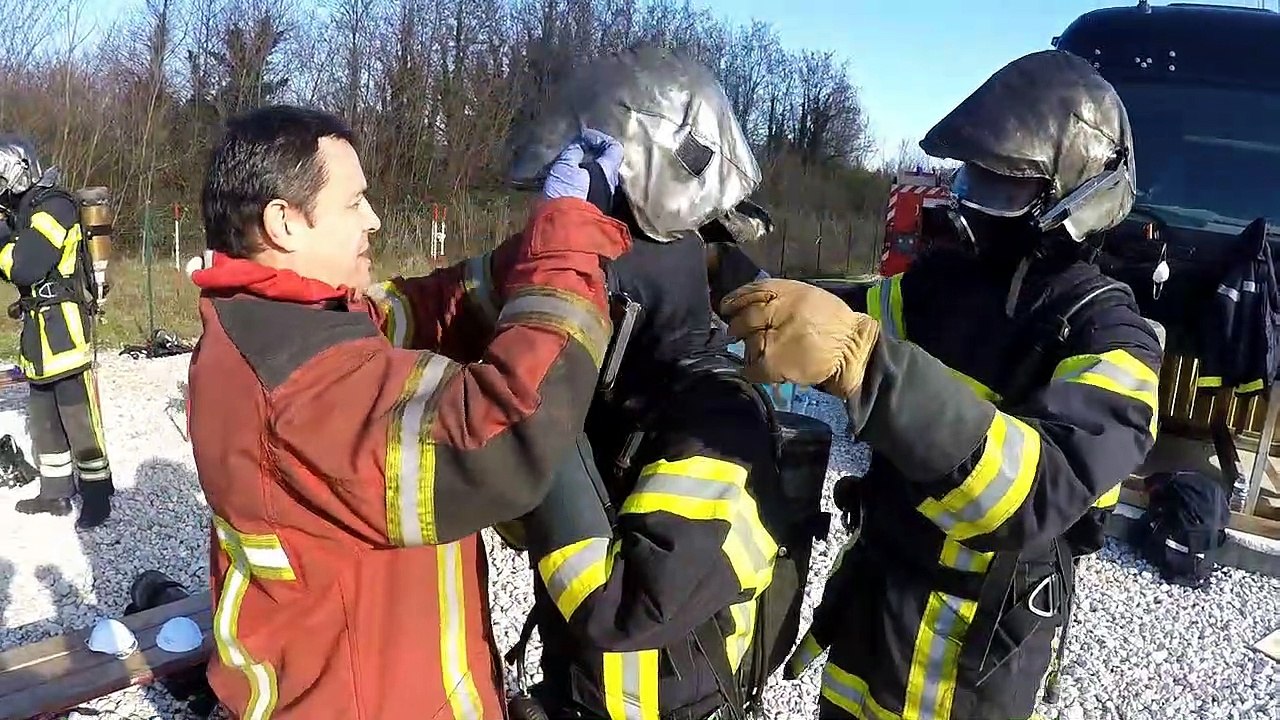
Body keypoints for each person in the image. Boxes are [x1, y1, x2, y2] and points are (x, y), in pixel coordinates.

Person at [720, 50, 1162, 720]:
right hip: (877, 608)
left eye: (1004, 188)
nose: (974, 204)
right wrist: (726, 274)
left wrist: (866, 365)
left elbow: (1036, 493)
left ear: (1076, 196)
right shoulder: (944, 286)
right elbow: (847, 312)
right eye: (972, 179)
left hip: (972, 654)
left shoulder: (1109, 337)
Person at [185, 104, 631, 719]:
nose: (372, 219)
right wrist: (568, 252)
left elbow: (411, 314)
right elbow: (501, 432)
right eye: (353, 203)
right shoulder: (298, 383)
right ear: (283, 223)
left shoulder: (279, 319)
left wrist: (535, 249)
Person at [480, 46, 827, 720]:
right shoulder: (621, 377)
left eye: (589, 252)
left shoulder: (715, 417)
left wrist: (541, 404)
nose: (571, 282)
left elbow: (623, 606)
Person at [0, 134, 113, 529]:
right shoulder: (26, 211)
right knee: (44, 417)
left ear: (18, 169)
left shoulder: (55, 206)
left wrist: (3, 238)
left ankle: (98, 493)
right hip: (37, 325)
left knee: (77, 414)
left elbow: (25, 265)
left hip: (62, 324)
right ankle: (55, 493)